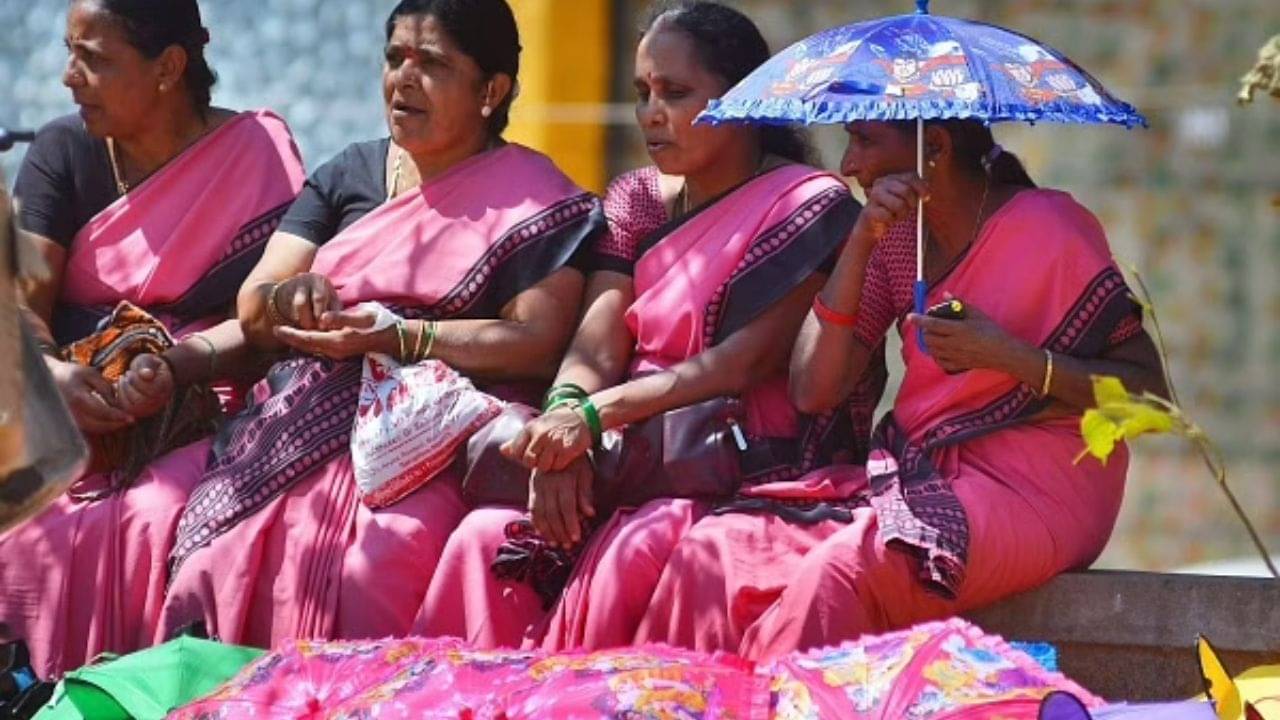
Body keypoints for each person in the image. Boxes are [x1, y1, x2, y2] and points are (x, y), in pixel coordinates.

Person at [414, 0, 873, 651]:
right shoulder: (636, 199)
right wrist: (565, 421)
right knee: (483, 541)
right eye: (643, 93)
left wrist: (594, 420)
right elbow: (598, 341)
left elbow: (741, 364)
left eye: (675, 92)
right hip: (625, 456)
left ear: (740, 99)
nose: (651, 113)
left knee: (637, 549)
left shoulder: (809, 207)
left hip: (741, 470)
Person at [635, 118, 1169, 659]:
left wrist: (1008, 356)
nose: (848, 165)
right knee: (717, 548)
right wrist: (860, 243)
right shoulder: (896, 242)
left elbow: (1152, 398)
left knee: (840, 572)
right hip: (926, 474)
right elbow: (814, 389)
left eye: (864, 141)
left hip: (1042, 487)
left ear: (932, 147)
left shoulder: (1051, 225)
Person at [159, 0, 604, 649]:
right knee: (216, 551)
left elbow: (537, 343)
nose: (403, 78)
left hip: (437, 440)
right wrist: (298, 297)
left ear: (492, 90)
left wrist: (401, 337)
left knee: (381, 561)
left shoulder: (539, 198)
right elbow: (258, 302)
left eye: (431, 64)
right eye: (395, 58)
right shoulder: (351, 173)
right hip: (306, 421)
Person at [0, 0, 305, 676]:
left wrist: (173, 368)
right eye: (69, 53)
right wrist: (53, 375)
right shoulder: (63, 151)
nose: (69, 78)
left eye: (94, 59)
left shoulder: (256, 155)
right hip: (69, 404)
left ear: (169, 67)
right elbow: (22, 300)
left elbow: (265, 325)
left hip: (208, 404)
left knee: (156, 516)